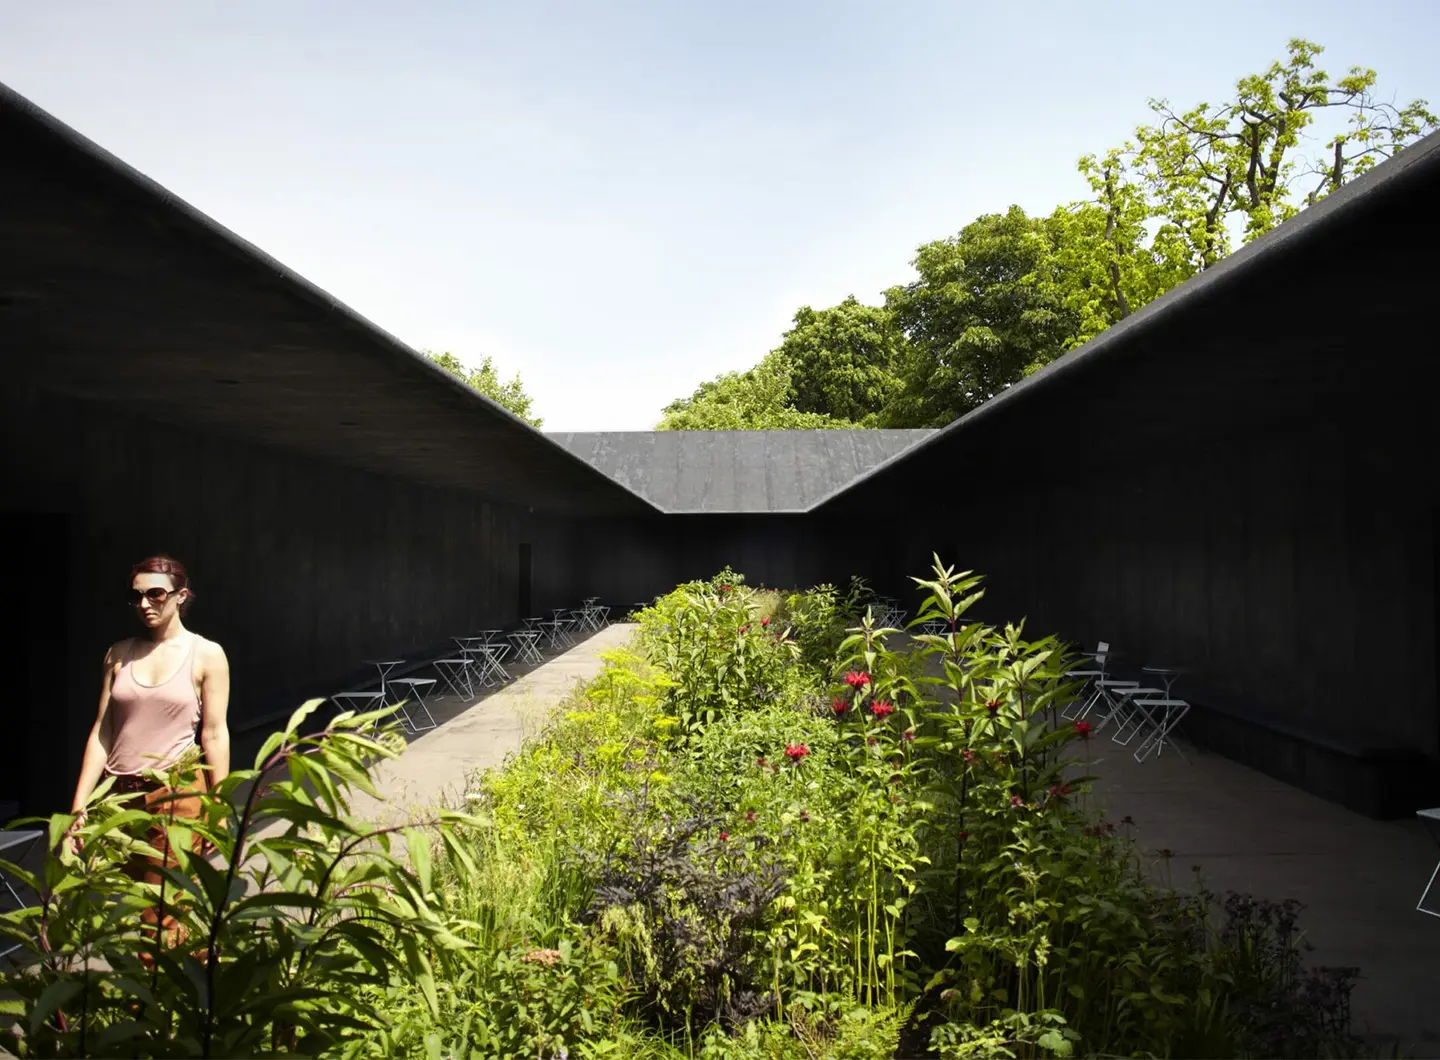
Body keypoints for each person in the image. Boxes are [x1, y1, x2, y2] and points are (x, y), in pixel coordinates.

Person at [68, 554, 231, 957]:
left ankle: (165, 1008)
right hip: (121, 797)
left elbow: (214, 733)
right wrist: (79, 806)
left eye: (156, 594)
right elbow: (102, 732)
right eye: (137, 595)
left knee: (165, 911)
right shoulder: (119, 653)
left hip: (177, 793)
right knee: (125, 901)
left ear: (181, 595)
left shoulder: (206, 654)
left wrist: (220, 804)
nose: (145, 604)